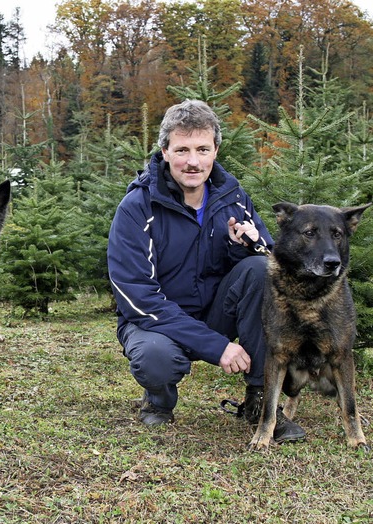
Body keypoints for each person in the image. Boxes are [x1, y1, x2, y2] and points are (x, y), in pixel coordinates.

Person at [107, 100, 305, 442]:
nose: (193, 161)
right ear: (165, 151)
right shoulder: (138, 208)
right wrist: (217, 347)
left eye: (202, 149)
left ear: (216, 149)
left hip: (215, 312)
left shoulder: (233, 197)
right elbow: (138, 297)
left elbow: (275, 267)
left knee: (259, 270)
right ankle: (158, 402)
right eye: (182, 149)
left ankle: (260, 402)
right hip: (156, 324)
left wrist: (249, 245)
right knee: (155, 358)